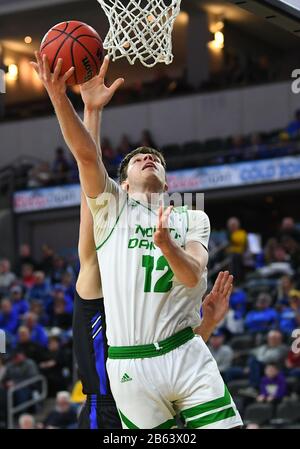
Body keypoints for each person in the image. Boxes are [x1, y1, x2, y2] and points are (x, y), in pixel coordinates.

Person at [31, 52, 242, 429]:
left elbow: (193, 274)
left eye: (156, 157)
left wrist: (167, 246)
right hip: (130, 365)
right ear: (122, 184)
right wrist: (59, 96)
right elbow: (85, 156)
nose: (148, 156)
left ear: (169, 182)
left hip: (184, 352)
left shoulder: (192, 216)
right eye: (139, 157)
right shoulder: (112, 208)